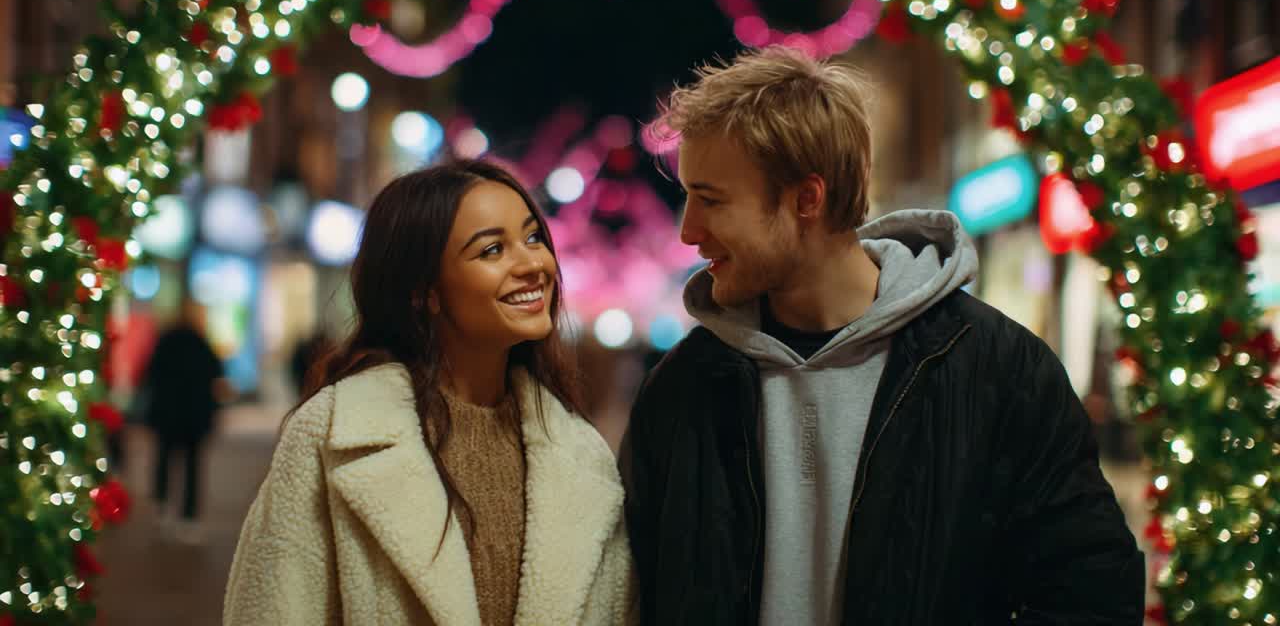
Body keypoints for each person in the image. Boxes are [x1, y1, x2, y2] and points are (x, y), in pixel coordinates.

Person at [619, 47, 1144, 625]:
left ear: (806, 199)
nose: (688, 230)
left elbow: (1090, 593)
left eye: (711, 200)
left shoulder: (999, 370)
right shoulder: (682, 387)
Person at [224, 161, 634, 625]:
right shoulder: (332, 435)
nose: (533, 265)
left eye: (534, 238)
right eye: (493, 250)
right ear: (424, 292)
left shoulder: (580, 453)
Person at [141, 297, 226, 541]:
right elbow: (217, 375)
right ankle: (189, 518)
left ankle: (162, 506)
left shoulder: (166, 340)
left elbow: (151, 373)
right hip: (194, 416)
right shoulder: (202, 343)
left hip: (168, 413)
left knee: (164, 458)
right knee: (192, 465)